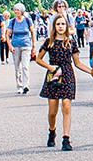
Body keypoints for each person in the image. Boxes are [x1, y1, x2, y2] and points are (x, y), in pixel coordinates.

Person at [34, 10, 84, 150]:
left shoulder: (71, 42)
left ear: (67, 26)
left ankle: (66, 138)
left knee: (67, 106)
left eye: (63, 24)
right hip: (53, 75)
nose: (61, 26)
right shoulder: (49, 42)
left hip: (67, 75)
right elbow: (38, 59)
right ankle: (52, 131)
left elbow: (77, 63)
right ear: (54, 26)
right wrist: (51, 68)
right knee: (52, 111)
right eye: (58, 24)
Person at [6, 5, 35, 96]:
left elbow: (33, 32)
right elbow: (7, 34)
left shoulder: (27, 20)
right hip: (16, 45)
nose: (16, 11)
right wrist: (9, 45)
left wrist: (33, 46)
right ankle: (19, 85)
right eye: (15, 10)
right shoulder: (13, 21)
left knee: (25, 66)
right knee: (17, 67)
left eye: (18, 10)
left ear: (22, 11)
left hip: (26, 45)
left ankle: (25, 85)